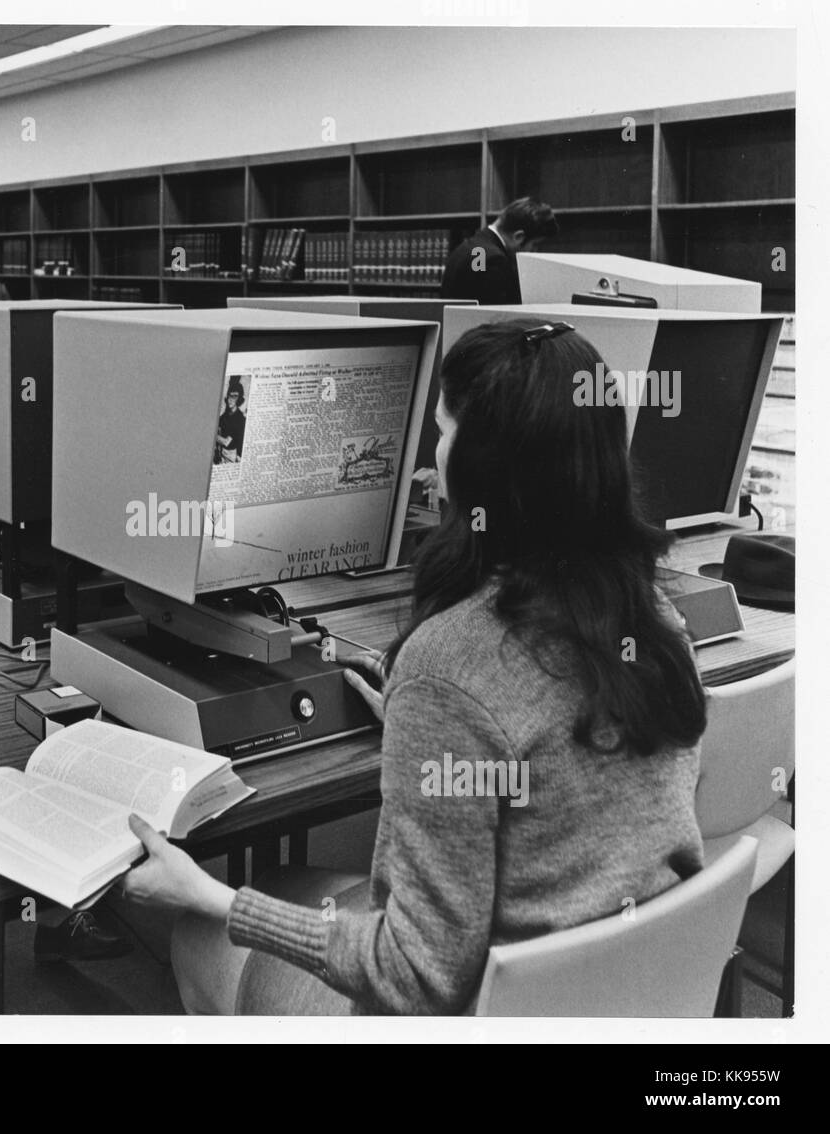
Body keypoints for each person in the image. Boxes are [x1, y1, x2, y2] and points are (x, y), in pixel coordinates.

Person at [120, 318, 708, 1014]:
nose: (433, 454)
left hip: (477, 1011)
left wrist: (210, 894)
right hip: (632, 994)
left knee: (198, 933)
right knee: (293, 881)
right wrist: (423, 716)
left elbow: (418, 977)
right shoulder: (655, 617)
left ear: (481, 468)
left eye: (442, 429)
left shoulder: (450, 666)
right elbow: (534, 734)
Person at [440, 197, 558, 306]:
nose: (534, 252)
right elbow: (497, 316)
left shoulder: (472, 246)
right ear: (518, 237)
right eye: (535, 245)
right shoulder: (493, 260)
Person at [214, 382, 246, 464]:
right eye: (229, 396)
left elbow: (226, 442)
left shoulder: (240, 419)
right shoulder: (225, 415)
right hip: (221, 455)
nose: (230, 399)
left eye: (234, 396)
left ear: (239, 399)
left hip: (231, 457)